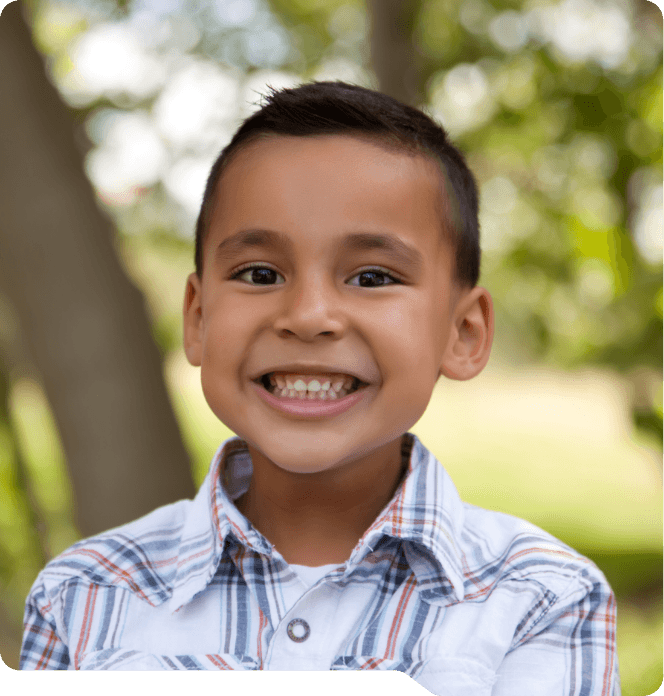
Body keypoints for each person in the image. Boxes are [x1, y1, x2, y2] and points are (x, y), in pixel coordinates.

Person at [20, 80, 620, 692]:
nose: (308, 316)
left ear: (462, 332)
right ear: (198, 320)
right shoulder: (84, 594)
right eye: (260, 273)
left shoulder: (541, 598)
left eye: (371, 276)